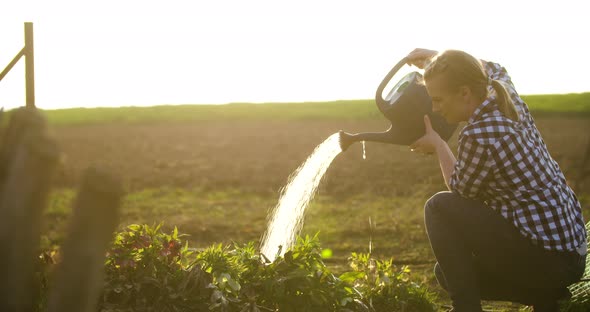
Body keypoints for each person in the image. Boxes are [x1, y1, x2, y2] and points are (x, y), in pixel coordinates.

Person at [406, 48, 587, 312]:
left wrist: (439, 145)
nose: (435, 108)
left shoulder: (479, 133)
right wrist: (439, 58)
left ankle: (466, 308)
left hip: (547, 260)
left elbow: (459, 191)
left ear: (465, 93)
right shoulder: (506, 96)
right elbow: (494, 67)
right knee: (449, 272)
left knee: (438, 207)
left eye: (438, 99)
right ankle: (547, 297)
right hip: (572, 256)